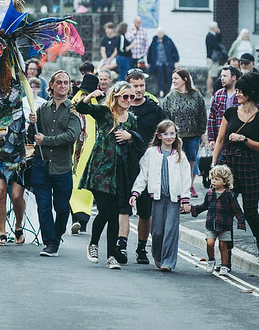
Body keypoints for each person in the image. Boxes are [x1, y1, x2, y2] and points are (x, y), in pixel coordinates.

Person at [77, 81, 144, 270]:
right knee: (106, 211)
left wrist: (131, 137)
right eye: (125, 96)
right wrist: (90, 96)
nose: (129, 100)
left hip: (120, 172)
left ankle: (111, 256)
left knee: (115, 215)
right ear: (116, 96)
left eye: (132, 97)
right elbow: (81, 107)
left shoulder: (131, 119)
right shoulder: (104, 112)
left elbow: (137, 145)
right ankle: (93, 244)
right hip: (100, 169)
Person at [211, 73, 259, 260]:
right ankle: (227, 249)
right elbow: (220, 140)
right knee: (225, 208)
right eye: (236, 90)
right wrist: (214, 165)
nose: (237, 94)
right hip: (228, 165)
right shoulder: (230, 112)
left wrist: (243, 139)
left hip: (250, 167)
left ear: (251, 92)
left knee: (251, 211)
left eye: (240, 91)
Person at [26, 70, 81, 257]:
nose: (62, 86)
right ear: (51, 85)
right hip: (41, 164)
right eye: (59, 82)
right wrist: (30, 124)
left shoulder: (73, 110)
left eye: (66, 83)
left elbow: (71, 136)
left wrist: (46, 140)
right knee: (43, 206)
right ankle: (50, 243)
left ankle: (56, 236)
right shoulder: (42, 108)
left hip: (62, 166)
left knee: (62, 208)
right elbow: (31, 136)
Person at [130, 120, 191, 271]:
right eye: (166, 134)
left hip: (174, 199)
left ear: (176, 135)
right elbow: (143, 174)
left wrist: (185, 199)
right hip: (157, 198)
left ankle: (168, 262)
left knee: (170, 230)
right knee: (156, 231)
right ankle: (158, 255)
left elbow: (185, 178)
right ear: (159, 135)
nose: (169, 137)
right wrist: (135, 193)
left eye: (172, 133)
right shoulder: (151, 153)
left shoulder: (179, 155)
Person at [126, 68, 165, 264]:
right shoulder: (121, 106)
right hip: (124, 163)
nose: (139, 89)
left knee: (145, 210)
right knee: (122, 208)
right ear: (128, 86)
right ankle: (120, 246)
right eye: (135, 86)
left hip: (148, 164)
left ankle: (142, 248)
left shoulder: (155, 109)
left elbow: (165, 134)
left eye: (142, 86)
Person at [191, 165, 246, 276]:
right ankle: (211, 260)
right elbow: (204, 206)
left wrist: (241, 222)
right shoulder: (210, 193)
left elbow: (237, 210)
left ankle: (224, 266)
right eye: (212, 178)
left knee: (223, 246)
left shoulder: (229, 195)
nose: (213, 181)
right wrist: (193, 210)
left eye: (217, 179)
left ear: (225, 181)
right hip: (211, 224)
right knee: (210, 243)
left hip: (225, 226)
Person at [161, 68, 207, 198]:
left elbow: (202, 115)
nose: (173, 81)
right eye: (172, 79)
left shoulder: (196, 96)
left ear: (185, 79)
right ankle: (178, 186)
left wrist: (202, 133)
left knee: (192, 160)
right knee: (178, 161)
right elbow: (165, 117)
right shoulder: (169, 98)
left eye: (176, 78)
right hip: (176, 137)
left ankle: (190, 185)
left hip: (193, 135)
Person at [69, 73, 100, 234]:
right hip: (78, 153)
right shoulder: (78, 103)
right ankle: (79, 220)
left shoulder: (96, 106)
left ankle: (80, 220)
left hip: (86, 153)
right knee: (78, 186)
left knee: (81, 186)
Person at [207, 66, 240, 152]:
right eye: (221, 76)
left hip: (237, 138)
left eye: (225, 76)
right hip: (220, 138)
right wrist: (211, 139)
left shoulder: (241, 95)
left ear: (233, 77)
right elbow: (211, 118)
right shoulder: (218, 94)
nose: (222, 79)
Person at [147, 28, 179, 97]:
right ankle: (161, 90)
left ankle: (171, 90)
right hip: (158, 63)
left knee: (169, 73)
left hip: (168, 62)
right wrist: (149, 62)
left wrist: (176, 61)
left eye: (161, 33)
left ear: (163, 34)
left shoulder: (168, 41)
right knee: (160, 73)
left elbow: (174, 51)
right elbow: (150, 53)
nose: (160, 35)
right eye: (159, 33)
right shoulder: (154, 41)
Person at [205, 22, 225, 96]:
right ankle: (209, 90)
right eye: (216, 27)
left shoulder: (213, 35)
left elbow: (219, 41)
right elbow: (216, 45)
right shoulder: (210, 36)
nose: (217, 28)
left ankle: (211, 89)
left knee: (213, 74)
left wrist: (219, 34)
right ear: (213, 28)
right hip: (211, 58)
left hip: (213, 58)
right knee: (211, 74)